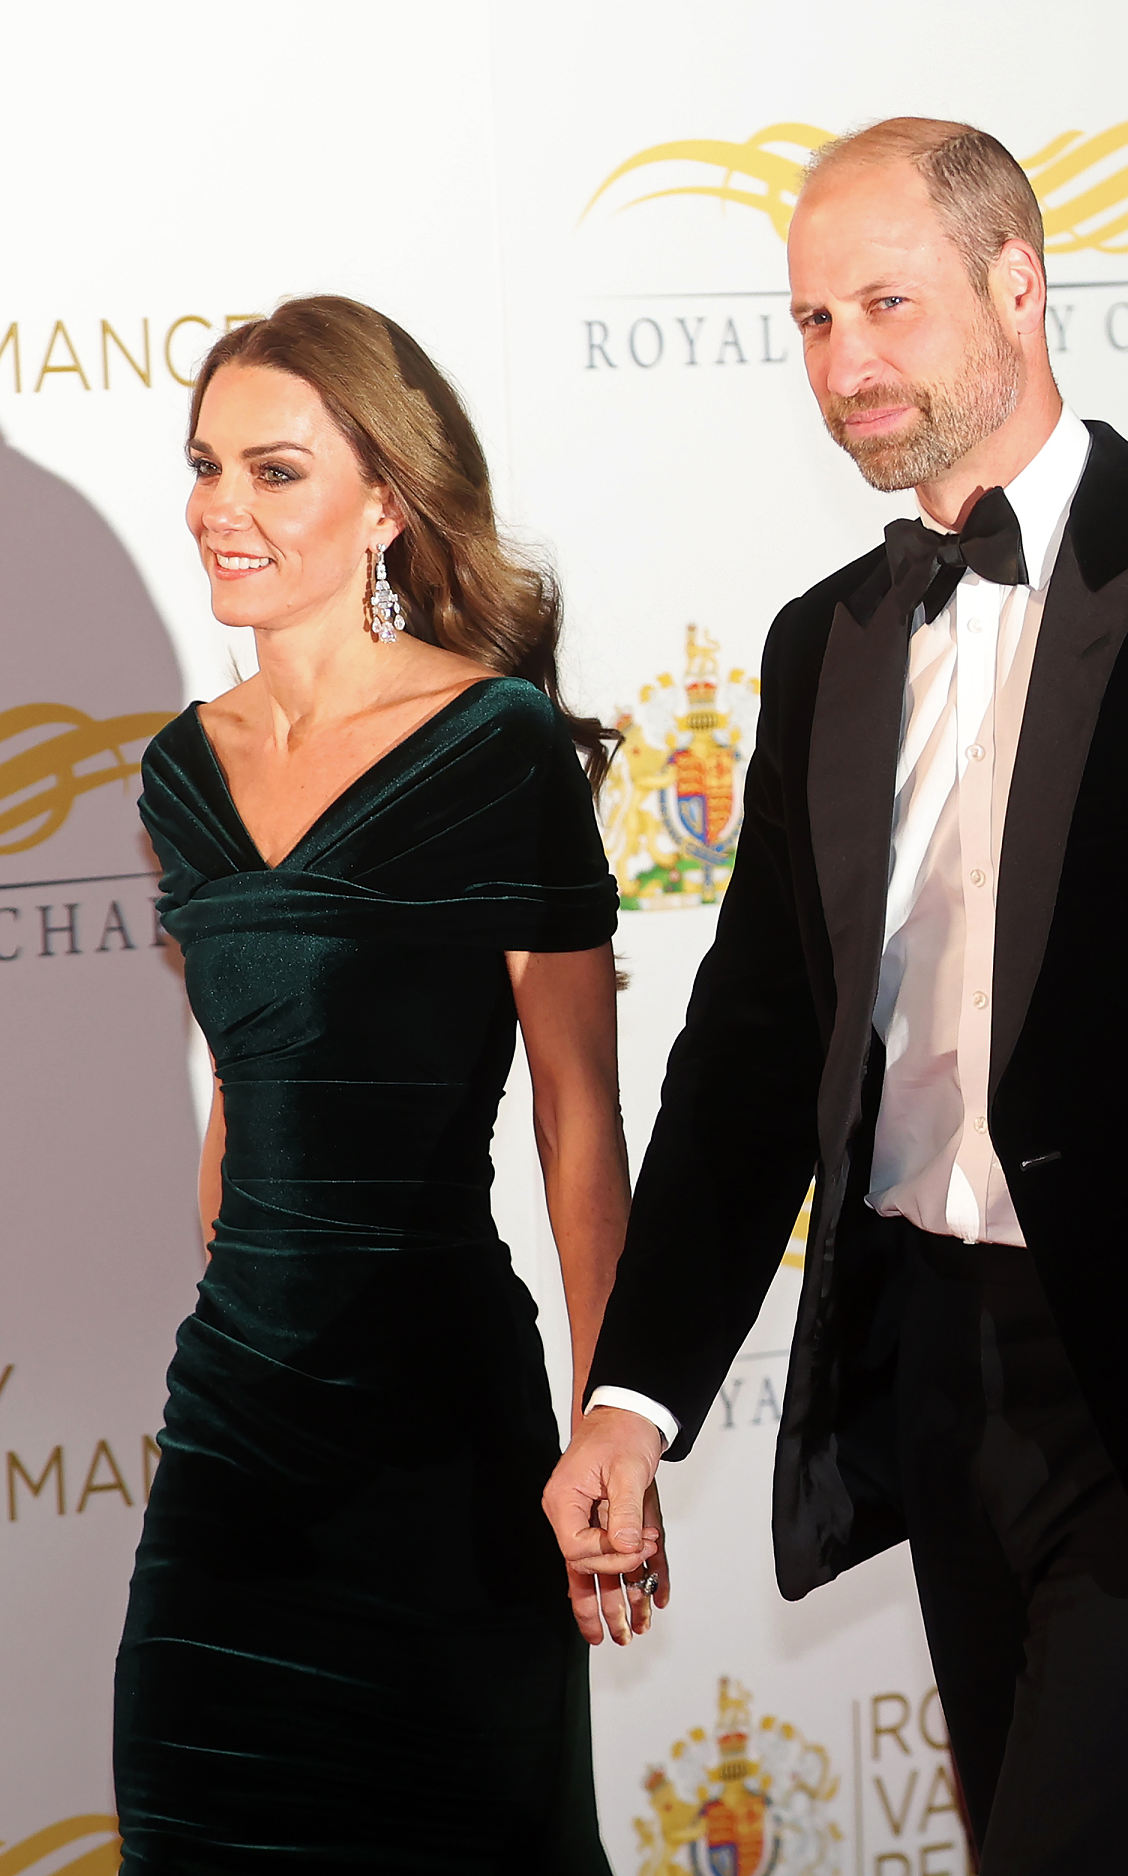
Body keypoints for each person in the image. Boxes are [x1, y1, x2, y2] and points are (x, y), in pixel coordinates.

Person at [542, 119, 1128, 1874]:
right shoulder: (825, 637)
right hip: (943, 1376)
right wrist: (635, 1393)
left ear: (1019, 284)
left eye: (887, 304)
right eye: (814, 322)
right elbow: (756, 1049)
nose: (847, 364)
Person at [114, 296, 654, 1873]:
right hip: (234, 1436)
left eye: (277, 471)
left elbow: (577, 1121)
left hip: (438, 1430)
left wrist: (603, 1427)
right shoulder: (180, 770)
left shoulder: (494, 748)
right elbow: (244, 1084)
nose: (225, 507)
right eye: (208, 464)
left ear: (385, 505)